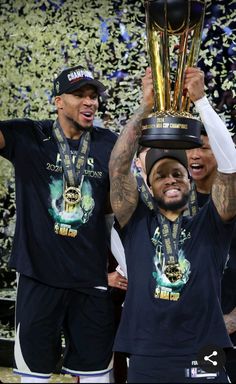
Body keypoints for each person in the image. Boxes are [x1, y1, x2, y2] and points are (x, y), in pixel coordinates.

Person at [108, 66, 236, 383]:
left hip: (205, 349)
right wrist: (145, 108)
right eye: (160, 175)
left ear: (189, 181)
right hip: (147, 351)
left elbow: (231, 166)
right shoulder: (135, 221)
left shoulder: (211, 222)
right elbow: (117, 167)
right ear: (148, 187)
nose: (170, 180)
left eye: (177, 173)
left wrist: (202, 102)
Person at [0, 65, 118, 383]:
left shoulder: (109, 143)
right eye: (79, 95)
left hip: (91, 282)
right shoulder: (28, 136)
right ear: (58, 101)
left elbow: (121, 211)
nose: (89, 102)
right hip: (40, 277)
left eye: (93, 96)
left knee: (95, 376)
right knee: (34, 376)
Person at [186, 131, 236, 383]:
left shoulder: (232, 202)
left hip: (229, 324)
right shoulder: (175, 200)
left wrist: (233, 317)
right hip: (191, 328)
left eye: (205, 148)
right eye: (191, 147)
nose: (195, 154)